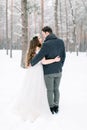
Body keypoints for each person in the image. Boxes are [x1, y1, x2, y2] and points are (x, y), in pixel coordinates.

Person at [12, 35, 61, 122]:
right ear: (37, 42)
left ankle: (28, 104)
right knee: (38, 89)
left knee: (30, 89)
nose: (41, 39)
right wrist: (54, 60)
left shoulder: (31, 50)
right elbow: (44, 62)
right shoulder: (40, 50)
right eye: (39, 39)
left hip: (31, 72)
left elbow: (29, 64)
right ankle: (36, 107)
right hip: (37, 72)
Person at [31, 26, 66, 114]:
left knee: (50, 90)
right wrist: (60, 66)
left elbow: (39, 56)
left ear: (47, 33)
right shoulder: (61, 42)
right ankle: (56, 106)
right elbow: (63, 56)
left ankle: (51, 107)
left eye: (43, 34)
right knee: (56, 89)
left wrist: (32, 63)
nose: (43, 37)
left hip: (49, 72)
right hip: (58, 71)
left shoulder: (46, 44)